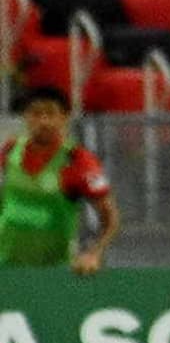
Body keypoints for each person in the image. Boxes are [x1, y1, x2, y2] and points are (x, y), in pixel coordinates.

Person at [0, 86, 118, 274]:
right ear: (25, 116)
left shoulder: (78, 160)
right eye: (36, 113)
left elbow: (110, 219)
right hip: (5, 270)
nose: (44, 121)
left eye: (51, 113)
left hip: (52, 274)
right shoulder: (10, 150)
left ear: (65, 117)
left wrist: (93, 254)